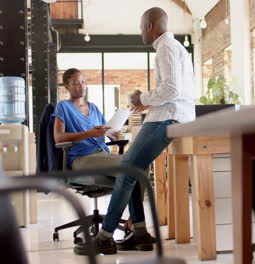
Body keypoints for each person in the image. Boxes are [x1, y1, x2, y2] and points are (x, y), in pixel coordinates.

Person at [74, 7, 195, 255]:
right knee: (134, 171)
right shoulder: (172, 48)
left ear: (150, 26)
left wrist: (144, 96)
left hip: (166, 118)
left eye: (141, 28)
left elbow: (171, 89)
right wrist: (146, 101)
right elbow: (174, 89)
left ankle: (105, 237)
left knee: (126, 171)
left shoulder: (166, 47)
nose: (141, 33)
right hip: (168, 115)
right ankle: (139, 234)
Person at [53, 68, 122, 170]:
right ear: (66, 86)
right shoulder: (63, 106)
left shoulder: (93, 107)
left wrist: (114, 135)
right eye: (76, 83)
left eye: (83, 81)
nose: (81, 86)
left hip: (103, 153)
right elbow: (58, 138)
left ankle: (122, 186)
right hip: (82, 157)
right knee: (129, 165)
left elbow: (106, 131)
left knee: (140, 162)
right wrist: (89, 133)